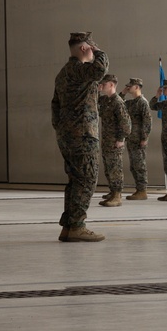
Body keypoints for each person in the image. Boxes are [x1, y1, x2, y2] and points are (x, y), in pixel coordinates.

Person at [51, 31, 109, 242]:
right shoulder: (80, 70)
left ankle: (69, 226)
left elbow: (55, 105)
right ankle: (77, 226)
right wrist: (100, 51)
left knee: (75, 180)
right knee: (86, 179)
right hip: (83, 134)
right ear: (85, 48)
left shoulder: (63, 74)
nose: (94, 51)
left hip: (67, 136)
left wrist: (62, 129)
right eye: (91, 47)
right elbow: (100, 69)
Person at [98, 74, 131, 207]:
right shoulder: (106, 100)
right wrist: (97, 90)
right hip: (107, 141)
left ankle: (117, 196)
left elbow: (126, 124)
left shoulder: (118, 102)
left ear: (111, 85)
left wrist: (121, 139)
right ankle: (113, 192)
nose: (101, 86)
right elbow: (94, 101)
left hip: (115, 142)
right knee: (108, 168)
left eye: (104, 84)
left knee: (115, 168)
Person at [120, 77, 152, 200]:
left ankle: (142, 190)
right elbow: (118, 102)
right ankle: (139, 189)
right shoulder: (131, 102)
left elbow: (147, 121)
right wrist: (123, 92)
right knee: (133, 166)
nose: (128, 88)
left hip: (139, 139)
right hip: (131, 138)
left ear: (137, 87)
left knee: (139, 165)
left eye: (130, 86)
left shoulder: (142, 102)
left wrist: (144, 138)